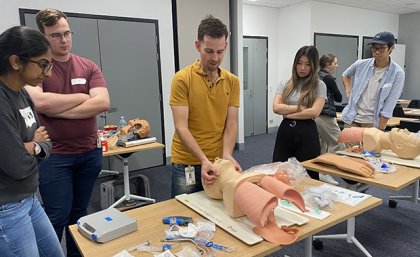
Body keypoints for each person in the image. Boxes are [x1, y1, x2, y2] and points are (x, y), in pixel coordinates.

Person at [24, 8, 110, 257]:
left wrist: (57, 108)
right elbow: (40, 103)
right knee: (56, 216)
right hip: (55, 158)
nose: (64, 40)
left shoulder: (88, 66)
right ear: (43, 37)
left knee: (79, 214)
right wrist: (83, 97)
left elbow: (102, 103)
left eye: (66, 33)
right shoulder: (39, 69)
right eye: (55, 35)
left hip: (89, 153)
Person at [0, 26, 64, 257]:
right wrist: (29, 148)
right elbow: (17, 167)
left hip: (29, 197)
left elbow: (45, 141)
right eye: (43, 64)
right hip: (7, 206)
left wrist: (31, 147)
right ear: (16, 61)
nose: (47, 73)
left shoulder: (23, 94)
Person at [169, 15, 241, 198]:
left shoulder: (232, 82)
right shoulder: (182, 79)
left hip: (217, 162)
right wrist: (202, 160)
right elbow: (181, 126)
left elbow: (231, 123)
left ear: (225, 47)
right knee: (184, 217)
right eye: (209, 51)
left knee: (215, 215)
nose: (215, 58)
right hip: (187, 163)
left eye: (220, 51)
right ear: (197, 45)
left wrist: (227, 154)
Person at [272, 45, 326, 180]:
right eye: (299, 63)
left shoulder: (319, 85)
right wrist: (300, 108)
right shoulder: (286, 84)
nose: (302, 68)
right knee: (280, 170)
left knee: (308, 173)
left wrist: (288, 114)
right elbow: (276, 107)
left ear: (314, 66)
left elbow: (314, 112)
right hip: (286, 132)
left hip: (307, 132)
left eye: (307, 64)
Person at [341, 31, 405, 130]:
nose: (377, 52)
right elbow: (345, 75)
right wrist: (348, 92)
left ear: (391, 48)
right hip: (352, 118)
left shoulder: (397, 73)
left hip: (373, 123)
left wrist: (380, 129)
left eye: (382, 48)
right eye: (374, 48)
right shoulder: (361, 64)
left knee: (369, 146)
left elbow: (389, 105)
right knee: (350, 146)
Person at [315, 54, 344, 185]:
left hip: (315, 114)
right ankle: (324, 173)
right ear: (328, 65)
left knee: (323, 144)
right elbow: (339, 97)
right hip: (326, 115)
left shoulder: (315, 76)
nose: (337, 66)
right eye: (335, 63)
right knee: (338, 143)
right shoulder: (328, 78)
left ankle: (319, 171)